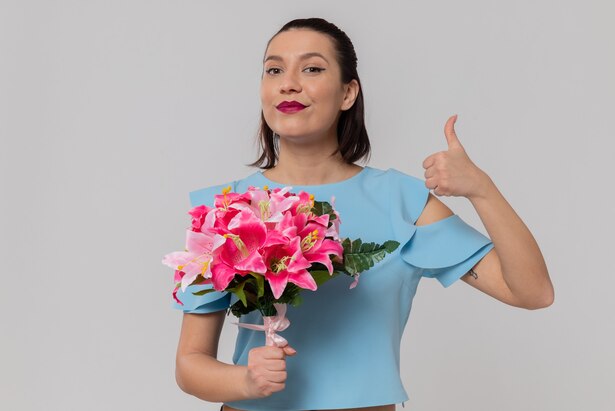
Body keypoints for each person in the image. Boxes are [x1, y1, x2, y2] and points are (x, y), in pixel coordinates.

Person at [171, 17, 554, 411]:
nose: (288, 83)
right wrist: (245, 380)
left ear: (348, 92)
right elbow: (189, 364)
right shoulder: (225, 211)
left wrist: (481, 191)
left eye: (312, 68)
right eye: (274, 69)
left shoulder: (401, 202)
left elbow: (531, 291)